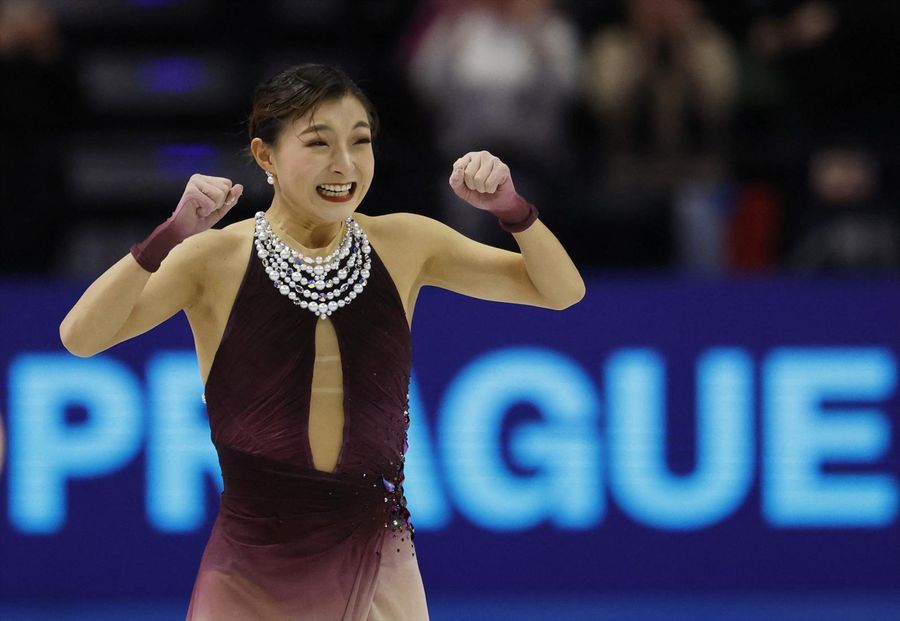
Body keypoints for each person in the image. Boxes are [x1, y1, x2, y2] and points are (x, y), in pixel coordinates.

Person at [58, 64, 585, 620]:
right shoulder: (213, 258)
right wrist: (169, 237)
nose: (345, 164)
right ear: (265, 156)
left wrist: (511, 209)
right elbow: (81, 337)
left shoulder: (406, 241)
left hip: (379, 564)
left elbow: (561, 291)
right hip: (250, 572)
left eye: (361, 142)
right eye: (318, 143)